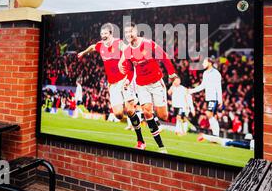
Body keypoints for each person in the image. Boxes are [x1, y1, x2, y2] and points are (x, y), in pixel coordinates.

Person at [77, 23, 146, 150]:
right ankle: (137, 105)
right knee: (119, 114)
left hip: (125, 79)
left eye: (105, 34)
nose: (103, 36)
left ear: (111, 34)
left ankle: (140, 140)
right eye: (101, 34)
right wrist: (83, 52)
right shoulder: (100, 45)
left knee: (130, 110)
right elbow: (93, 47)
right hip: (113, 84)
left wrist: (124, 60)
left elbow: (128, 49)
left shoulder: (119, 43)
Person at [119, 22, 178, 154]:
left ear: (136, 31)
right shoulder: (127, 50)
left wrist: (171, 72)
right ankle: (161, 146)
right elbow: (130, 70)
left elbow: (163, 56)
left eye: (131, 31)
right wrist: (128, 81)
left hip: (156, 83)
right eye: (126, 33)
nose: (129, 34)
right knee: (147, 112)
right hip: (141, 85)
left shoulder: (148, 43)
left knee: (163, 115)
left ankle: (159, 118)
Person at [189, 56, 222, 137]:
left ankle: (216, 134)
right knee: (210, 115)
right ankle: (216, 134)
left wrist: (220, 99)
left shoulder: (216, 73)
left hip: (214, 97)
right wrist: (191, 91)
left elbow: (218, 87)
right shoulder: (205, 73)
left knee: (209, 114)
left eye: (204, 62)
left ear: (210, 63)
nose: (203, 64)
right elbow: (202, 86)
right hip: (208, 97)